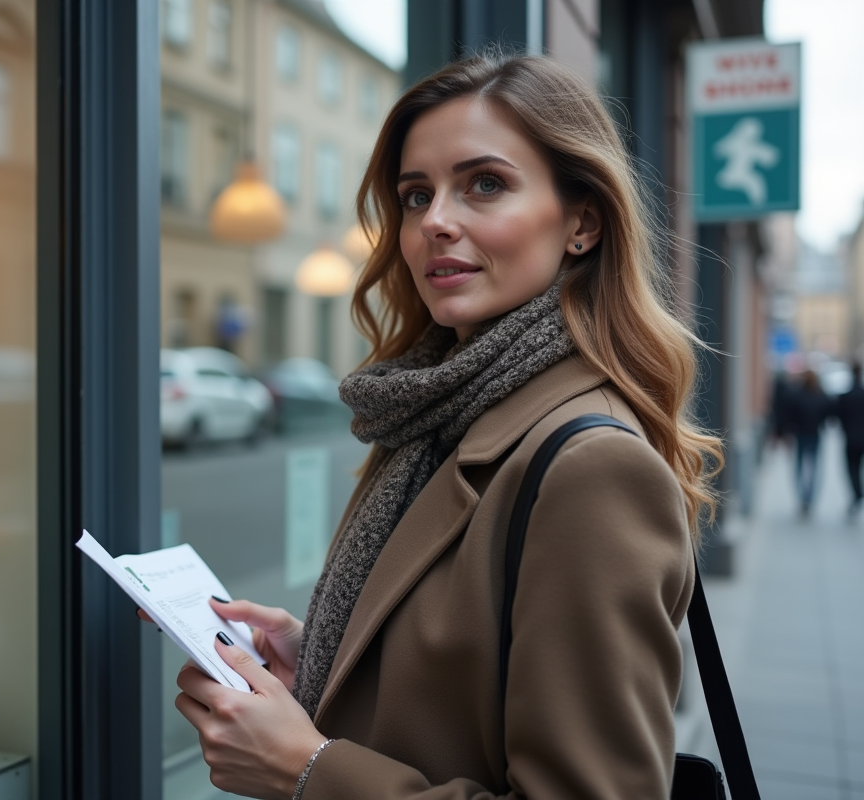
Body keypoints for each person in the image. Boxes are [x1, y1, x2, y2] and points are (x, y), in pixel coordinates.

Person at [150, 54, 723, 800]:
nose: (435, 223)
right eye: (416, 195)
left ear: (582, 221)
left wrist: (308, 770)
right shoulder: (433, 414)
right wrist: (329, 653)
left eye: (485, 184)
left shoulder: (590, 466)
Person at [788, 368, 831, 517]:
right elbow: (828, 413)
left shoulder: (797, 395)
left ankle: (802, 497)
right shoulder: (821, 395)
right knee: (814, 467)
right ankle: (809, 498)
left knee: (799, 467)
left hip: (800, 434)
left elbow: (790, 415)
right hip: (815, 434)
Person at [836, 362, 864, 517]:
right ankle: (858, 493)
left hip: (850, 438)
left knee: (852, 469)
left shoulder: (845, 396)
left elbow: (838, 416)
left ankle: (857, 493)